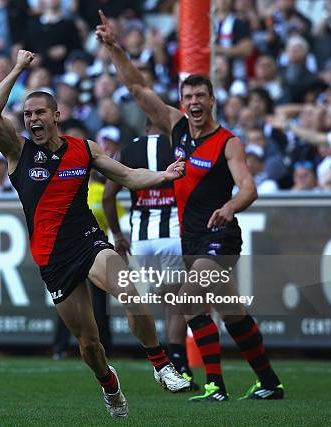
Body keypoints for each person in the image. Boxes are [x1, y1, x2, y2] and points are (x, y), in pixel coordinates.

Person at [0, 49, 189, 419]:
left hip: (88, 242)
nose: (33, 119)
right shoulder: (18, 152)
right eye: (28, 114)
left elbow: (126, 176)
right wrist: (16, 68)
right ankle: (110, 385)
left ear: (56, 115)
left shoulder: (84, 149)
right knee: (88, 343)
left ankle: (161, 365)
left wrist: (163, 176)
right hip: (51, 256)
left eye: (40, 113)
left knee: (129, 289)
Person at [97, 10, 284, 402]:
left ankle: (214, 384)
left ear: (212, 100)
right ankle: (269, 381)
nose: (195, 101)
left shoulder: (227, 142)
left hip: (220, 236)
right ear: (182, 103)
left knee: (187, 298)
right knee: (233, 314)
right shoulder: (177, 128)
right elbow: (137, 88)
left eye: (201, 96)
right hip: (191, 237)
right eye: (189, 96)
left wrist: (231, 206)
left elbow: (249, 188)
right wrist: (115, 49)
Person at [102, 119, 198, 390]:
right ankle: (178, 366)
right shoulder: (177, 146)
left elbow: (108, 197)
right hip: (172, 234)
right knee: (176, 303)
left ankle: (159, 358)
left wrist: (118, 235)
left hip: (141, 239)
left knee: (140, 302)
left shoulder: (128, 150)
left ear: (145, 127)